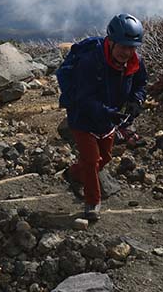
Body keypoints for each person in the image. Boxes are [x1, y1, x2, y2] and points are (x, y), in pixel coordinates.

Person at [56, 13, 148, 221]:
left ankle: (72, 175)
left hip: (108, 119)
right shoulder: (91, 61)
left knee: (105, 158)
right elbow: (84, 97)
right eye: (123, 46)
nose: (127, 52)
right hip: (82, 117)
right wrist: (110, 113)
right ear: (112, 41)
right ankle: (92, 202)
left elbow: (141, 84)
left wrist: (136, 101)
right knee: (91, 160)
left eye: (132, 47)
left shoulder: (135, 62)